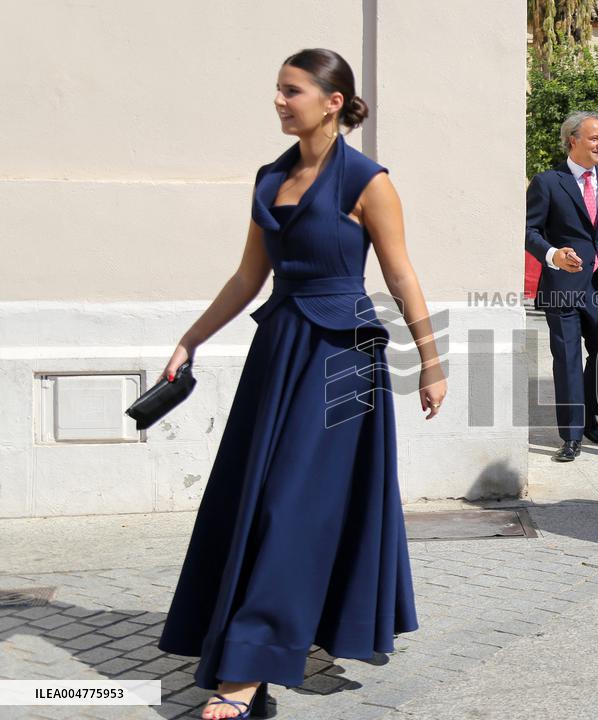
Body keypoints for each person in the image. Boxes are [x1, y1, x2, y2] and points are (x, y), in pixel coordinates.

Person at [156, 49, 447, 719]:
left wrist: (431, 363)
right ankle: (267, 638)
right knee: (260, 498)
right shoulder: (270, 179)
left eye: (292, 90)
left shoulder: (368, 182)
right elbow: (247, 278)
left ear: (332, 101)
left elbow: (400, 275)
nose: (280, 101)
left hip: (345, 357)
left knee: (292, 505)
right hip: (281, 350)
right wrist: (191, 339)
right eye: (279, 90)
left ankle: (246, 673)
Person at [525, 111, 598, 462]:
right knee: (567, 360)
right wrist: (552, 254)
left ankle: (589, 410)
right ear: (572, 140)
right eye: (594, 138)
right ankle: (572, 436)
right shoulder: (548, 182)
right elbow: (529, 230)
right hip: (562, 285)